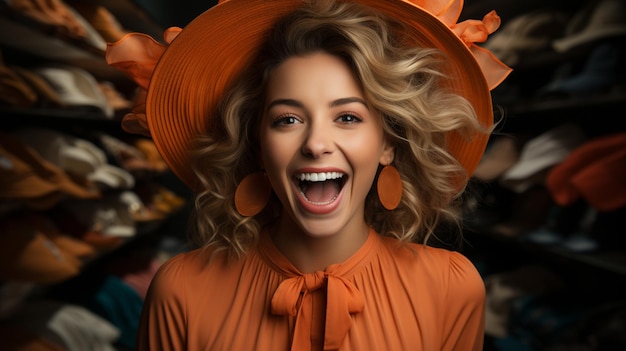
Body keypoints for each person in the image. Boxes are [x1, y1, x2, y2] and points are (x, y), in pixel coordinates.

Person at [106, 0, 511, 349]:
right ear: (258, 147)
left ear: (388, 144)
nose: (316, 143)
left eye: (348, 117)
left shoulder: (451, 288)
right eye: (288, 119)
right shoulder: (181, 290)